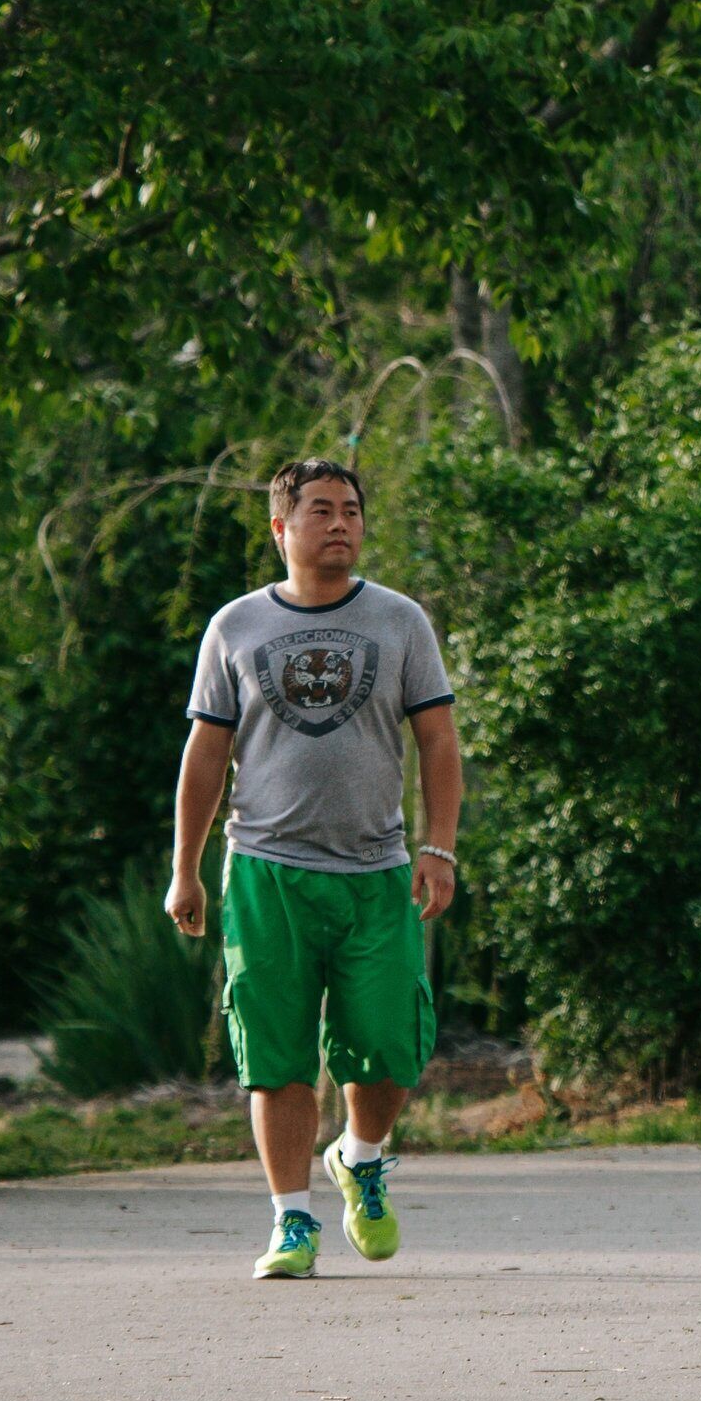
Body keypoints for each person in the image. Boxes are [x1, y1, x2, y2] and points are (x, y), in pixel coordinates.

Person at [168, 458, 463, 1281]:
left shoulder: (400, 621)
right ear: (280, 528)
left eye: (353, 511)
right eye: (322, 510)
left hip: (378, 870)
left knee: (390, 1043)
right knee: (277, 1054)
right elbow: (206, 752)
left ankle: (361, 1158)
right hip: (266, 870)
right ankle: (291, 1223)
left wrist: (439, 847)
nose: (341, 524)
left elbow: (438, 740)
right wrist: (185, 870)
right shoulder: (235, 627)